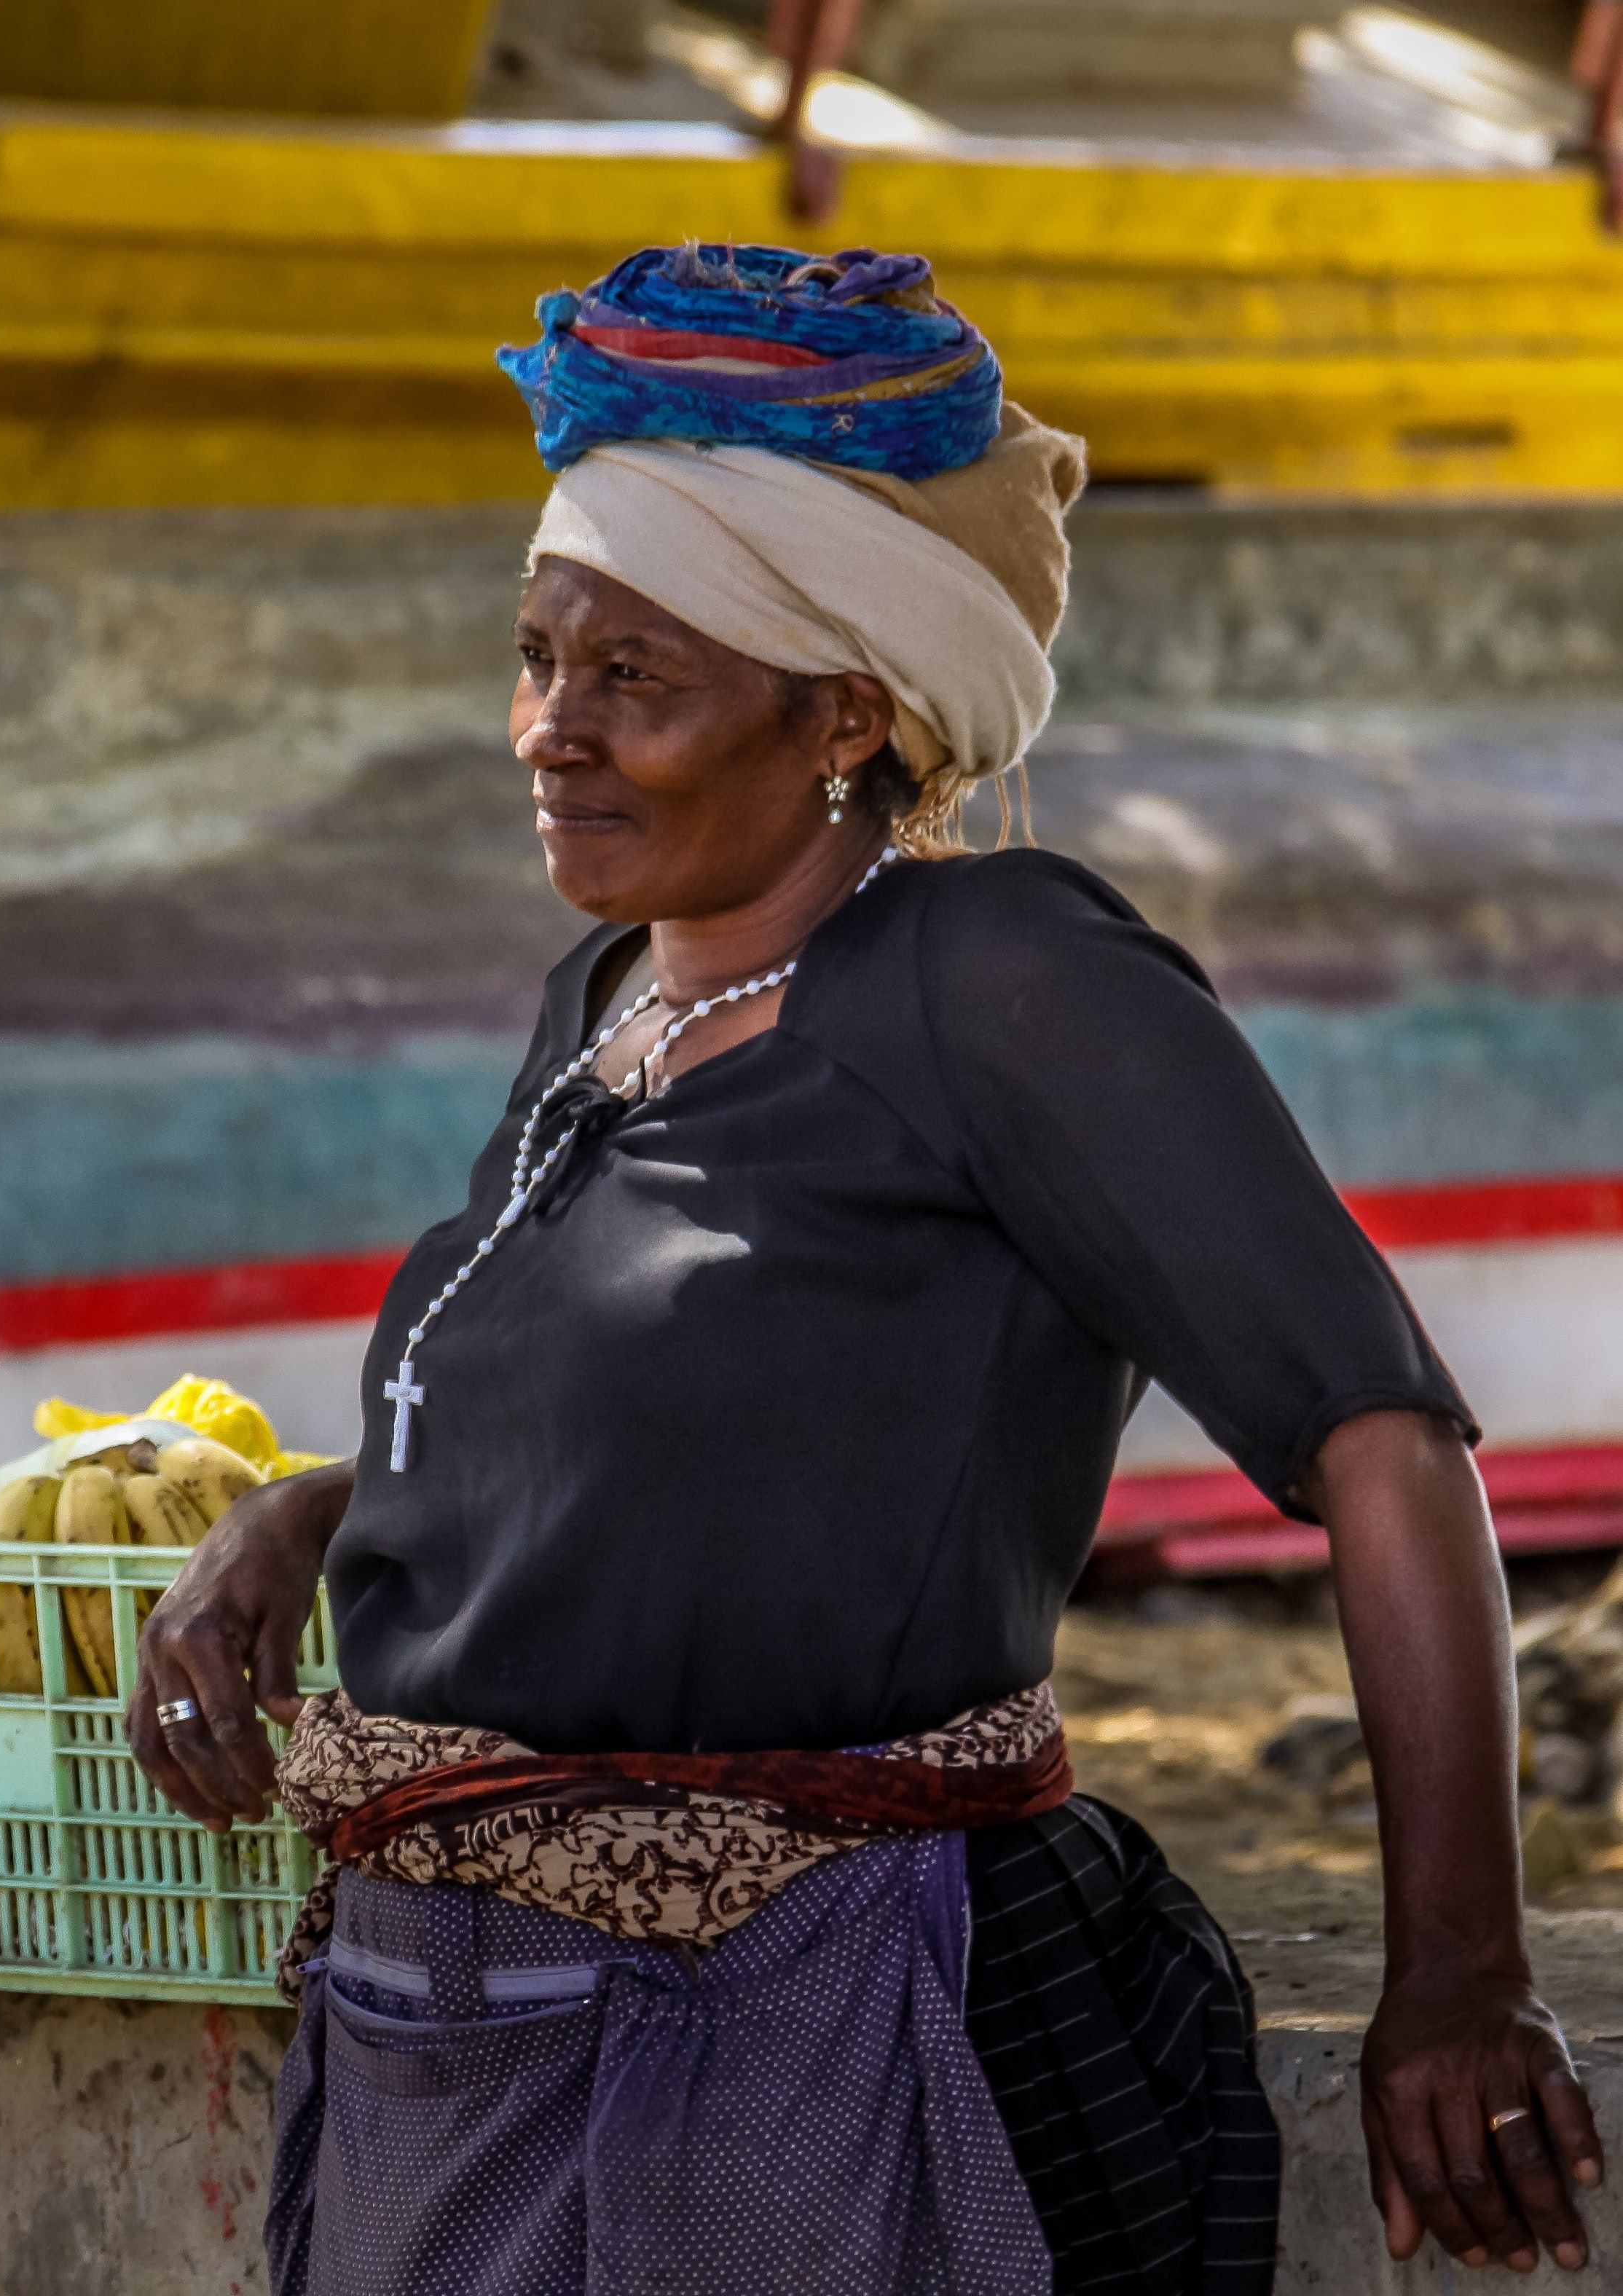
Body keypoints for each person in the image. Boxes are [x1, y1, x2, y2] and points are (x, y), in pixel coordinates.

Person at [128, 243, 1602, 2294]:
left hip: (815, 2050)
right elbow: (660, 1437)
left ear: (843, 715)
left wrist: (1457, 1974)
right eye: (539, 654)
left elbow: (1382, 1436)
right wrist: (300, 1522)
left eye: (634, 677)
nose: (552, 730)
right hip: (454, 2064)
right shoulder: (606, 999)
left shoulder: (1001, 981)